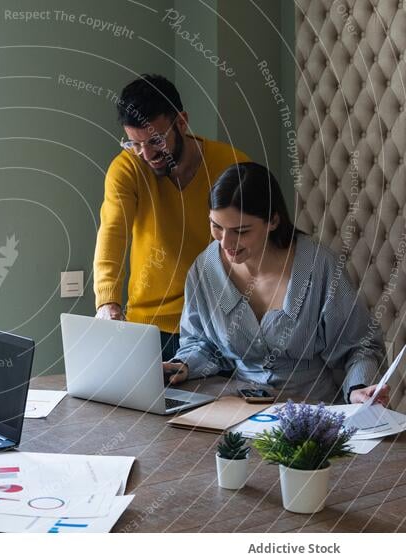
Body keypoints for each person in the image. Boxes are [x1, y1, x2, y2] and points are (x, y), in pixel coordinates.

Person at [163, 162, 388, 405]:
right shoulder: (205, 269)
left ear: (272, 221)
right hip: (236, 409)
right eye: (216, 226)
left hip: (313, 412)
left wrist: (359, 388)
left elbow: (361, 345)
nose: (225, 242)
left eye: (241, 231)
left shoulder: (319, 266)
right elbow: (201, 343)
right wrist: (183, 365)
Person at [94, 74, 250, 360]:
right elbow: (113, 232)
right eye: (134, 144)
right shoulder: (128, 168)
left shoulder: (232, 165)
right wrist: (108, 303)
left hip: (218, 325)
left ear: (181, 121)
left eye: (155, 140)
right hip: (149, 326)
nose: (146, 153)